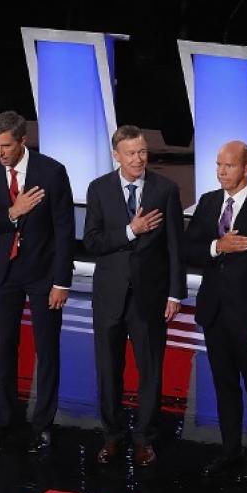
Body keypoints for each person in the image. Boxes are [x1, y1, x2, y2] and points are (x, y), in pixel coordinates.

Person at [181, 140, 247, 485]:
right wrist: (218, 246)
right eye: (218, 165)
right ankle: (230, 451)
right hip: (214, 314)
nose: (221, 172)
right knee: (224, 385)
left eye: (228, 166)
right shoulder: (208, 203)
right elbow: (188, 249)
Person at [83, 125, 186, 468]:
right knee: (108, 369)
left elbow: (175, 246)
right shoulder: (98, 189)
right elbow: (92, 241)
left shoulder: (165, 189)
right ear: (116, 155)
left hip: (150, 296)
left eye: (142, 152)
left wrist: (175, 293)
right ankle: (112, 436)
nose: (139, 159)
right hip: (109, 296)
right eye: (131, 153)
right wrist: (131, 230)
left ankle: (144, 439)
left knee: (150, 370)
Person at [0, 111, 74, 453]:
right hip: (6, 272)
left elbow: (64, 230)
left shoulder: (52, 172)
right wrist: (12, 213)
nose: (0, 153)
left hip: (44, 273)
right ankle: (3, 420)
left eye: (6, 146)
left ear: (22, 141)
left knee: (46, 350)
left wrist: (62, 281)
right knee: (5, 345)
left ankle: (42, 425)